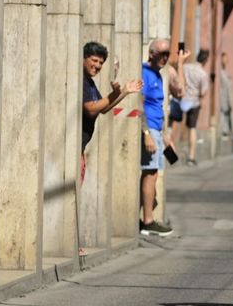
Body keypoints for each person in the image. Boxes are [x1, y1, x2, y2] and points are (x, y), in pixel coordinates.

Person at [81, 41, 137, 180]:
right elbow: (91, 109)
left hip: (80, 148)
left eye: (101, 63)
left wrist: (124, 92)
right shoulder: (80, 80)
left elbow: (103, 108)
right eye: (94, 60)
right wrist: (114, 94)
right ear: (83, 58)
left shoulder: (90, 82)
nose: (98, 66)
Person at [140, 38, 176, 236]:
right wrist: (146, 134)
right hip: (149, 130)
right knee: (150, 173)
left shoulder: (158, 75)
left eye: (167, 54)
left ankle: (148, 217)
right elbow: (140, 103)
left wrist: (165, 135)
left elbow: (158, 107)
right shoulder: (144, 72)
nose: (164, 58)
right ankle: (147, 220)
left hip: (157, 129)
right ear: (151, 53)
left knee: (153, 173)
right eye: (161, 53)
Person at [179, 48, 211, 165]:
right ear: (205, 60)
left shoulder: (186, 67)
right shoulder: (203, 74)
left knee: (174, 124)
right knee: (192, 128)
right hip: (193, 102)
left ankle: (170, 151)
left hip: (182, 99)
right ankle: (191, 157)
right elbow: (203, 92)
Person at [217, 51, 233, 135]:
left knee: (227, 113)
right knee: (223, 113)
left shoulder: (225, 71)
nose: (226, 60)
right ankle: (223, 130)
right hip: (222, 97)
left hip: (227, 96)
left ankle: (226, 130)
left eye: (227, 58)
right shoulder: (220, 72)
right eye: (224, 58)